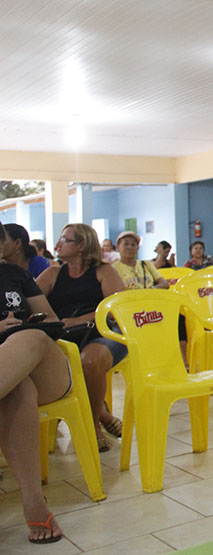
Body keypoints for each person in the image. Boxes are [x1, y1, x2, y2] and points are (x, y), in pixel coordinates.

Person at [0, 223, 70, 543]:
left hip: (44, 365)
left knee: (29, 336)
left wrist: (22, 325)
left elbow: (52, 320)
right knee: (18, 388)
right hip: (12, 380)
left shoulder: (16, 275)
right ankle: (32, 498)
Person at [36, 223, 127, 451]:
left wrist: (77, 320)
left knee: (89, 360)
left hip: (104, 333)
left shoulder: (104, 271)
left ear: (82, 245)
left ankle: (93, 424)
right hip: (66, 337)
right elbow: (30, 298)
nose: (57, 245)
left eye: (65, 240)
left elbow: (115, 309)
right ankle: (104, 415)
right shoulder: (53, 272)